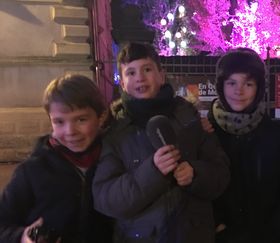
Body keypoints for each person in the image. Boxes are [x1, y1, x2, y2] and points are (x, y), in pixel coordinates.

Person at [92, 42, 230, 243]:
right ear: (122, 83)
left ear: (161, 75)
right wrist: (152, 172)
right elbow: (106, 198)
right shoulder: (114, 131)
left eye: (147, 69)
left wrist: (195, 174)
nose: (140, 77)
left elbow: (221, 173)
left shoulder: (190, 118)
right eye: (130, 73)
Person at [0, 74, 113, 243]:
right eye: (59, 122)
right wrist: (22, 237)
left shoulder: (113, 161)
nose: (70, 131)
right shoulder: (32, 170)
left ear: (101, 117)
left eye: (81, 119)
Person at [205, 48, 280, 243]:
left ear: (258, 88)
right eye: (231, 83)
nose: (238, 91)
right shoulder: (205, 132)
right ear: (221, 86)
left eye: (248, 84)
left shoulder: (276, 135)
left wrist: (275, 230)